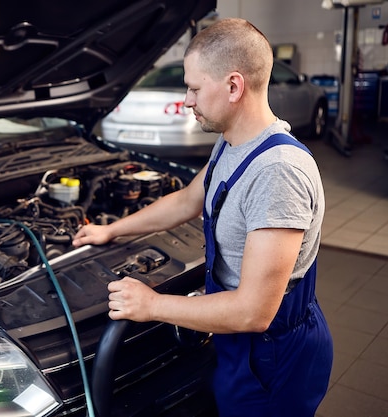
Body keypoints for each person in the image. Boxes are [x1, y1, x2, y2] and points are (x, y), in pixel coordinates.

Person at [73, 18, 332, 417]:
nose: (188, 100)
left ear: (233, 86)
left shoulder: (278, 171)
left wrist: (153, 304)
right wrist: (110, 230)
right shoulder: (232, 143)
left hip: (272, 358)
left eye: (194, 88)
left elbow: (253, 311)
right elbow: (187, 201)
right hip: (237, 346)